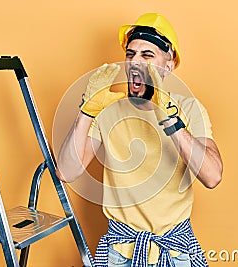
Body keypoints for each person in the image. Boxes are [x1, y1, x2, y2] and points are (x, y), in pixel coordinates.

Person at [57, 13, 223, 267]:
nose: (135, 62)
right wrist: (86, 112)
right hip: (119, 253)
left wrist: (173, 121)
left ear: (168, 68)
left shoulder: (189, 109)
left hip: (175, 249)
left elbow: (212, 176)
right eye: (130, 54)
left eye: (147, 56)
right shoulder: (107, 110)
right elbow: (67, 172)